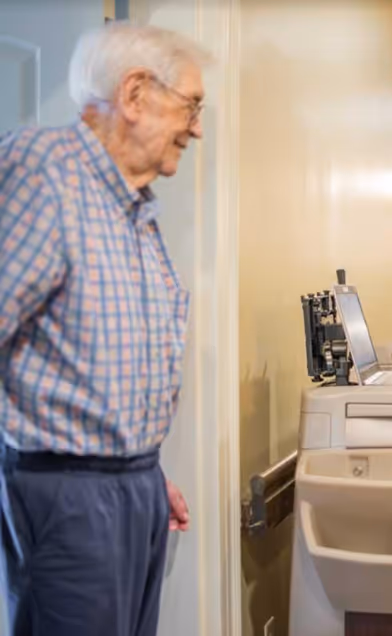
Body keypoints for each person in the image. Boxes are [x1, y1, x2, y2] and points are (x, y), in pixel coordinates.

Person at [0, 22, 210, 636]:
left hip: (131, 484)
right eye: (191, 106)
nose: (196, 128)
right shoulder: (44, 173)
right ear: (135, 94)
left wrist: (144, 471)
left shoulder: (134, 208)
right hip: (67, 495)